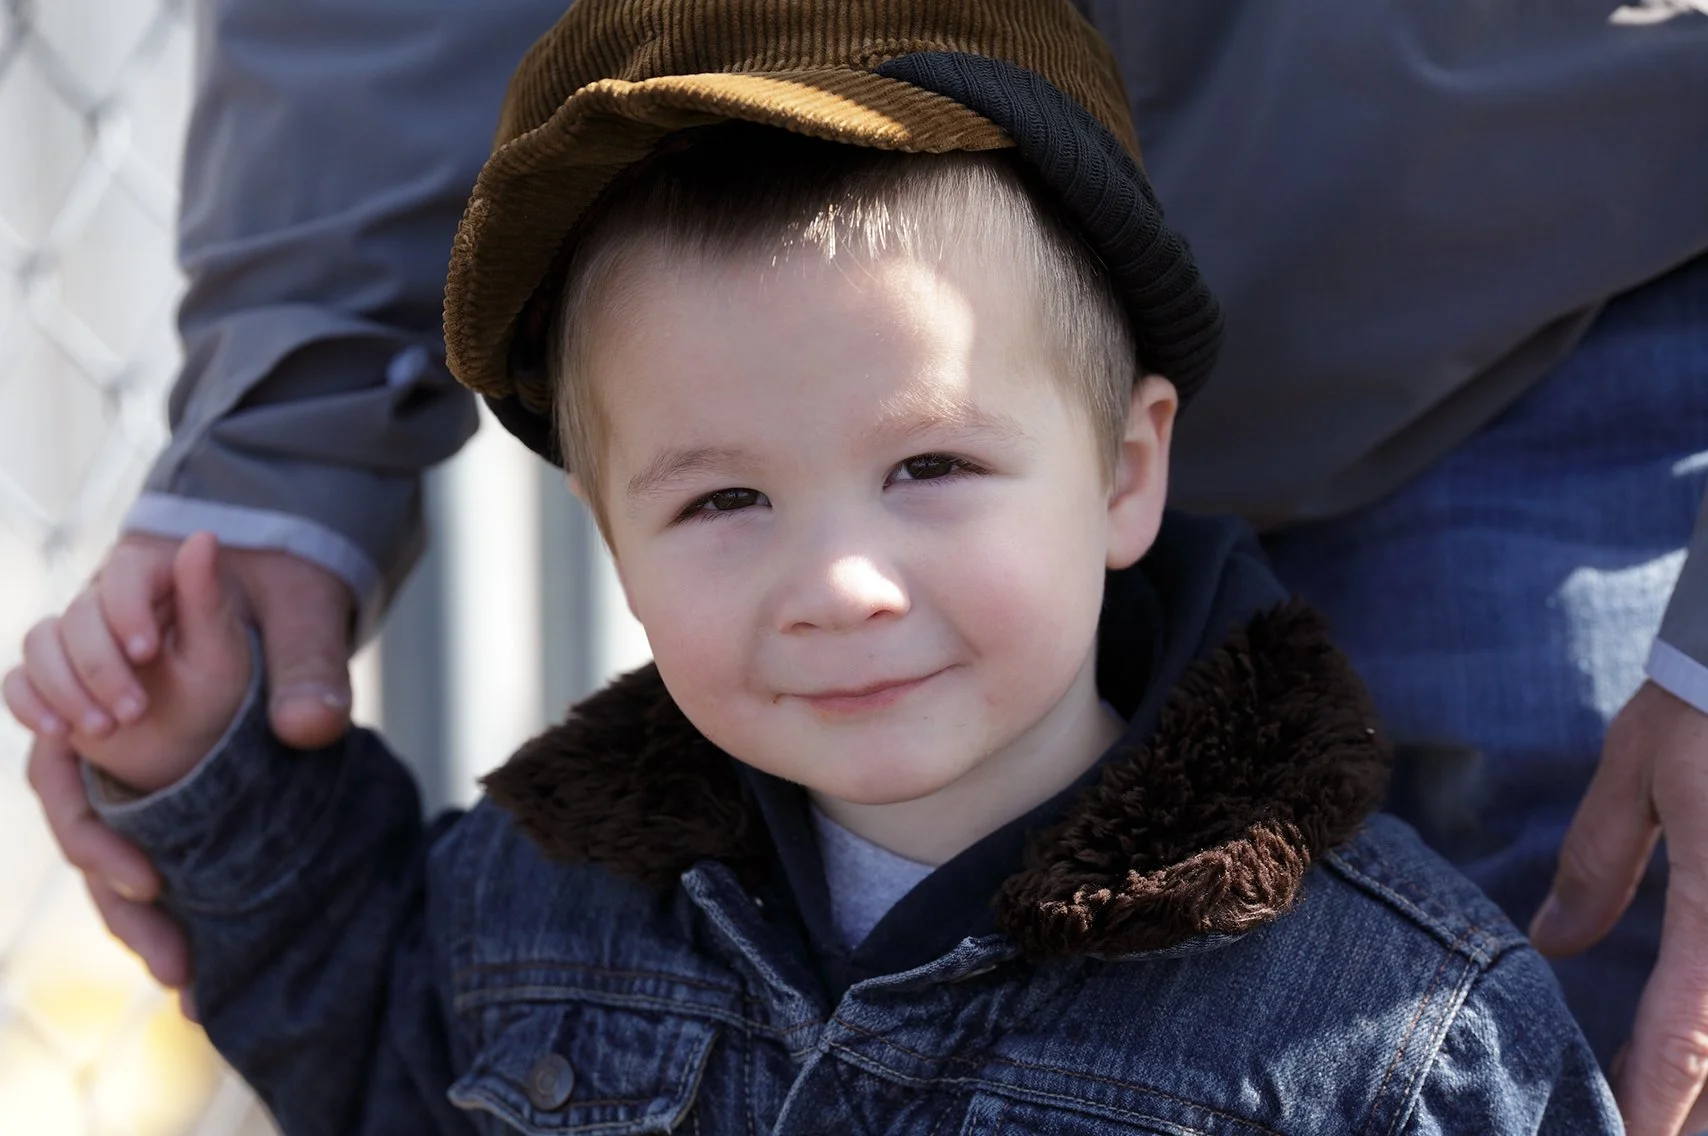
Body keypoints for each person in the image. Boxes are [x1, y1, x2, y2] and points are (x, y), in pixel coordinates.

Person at [6, 0, 1707, 1130]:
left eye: (929, 468)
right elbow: (366, 1022)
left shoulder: (1396, 1028)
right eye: (723, 504)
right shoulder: (543, 901)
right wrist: (205, 762)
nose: (841, 581)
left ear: (1127, 474)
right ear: (612, 536)